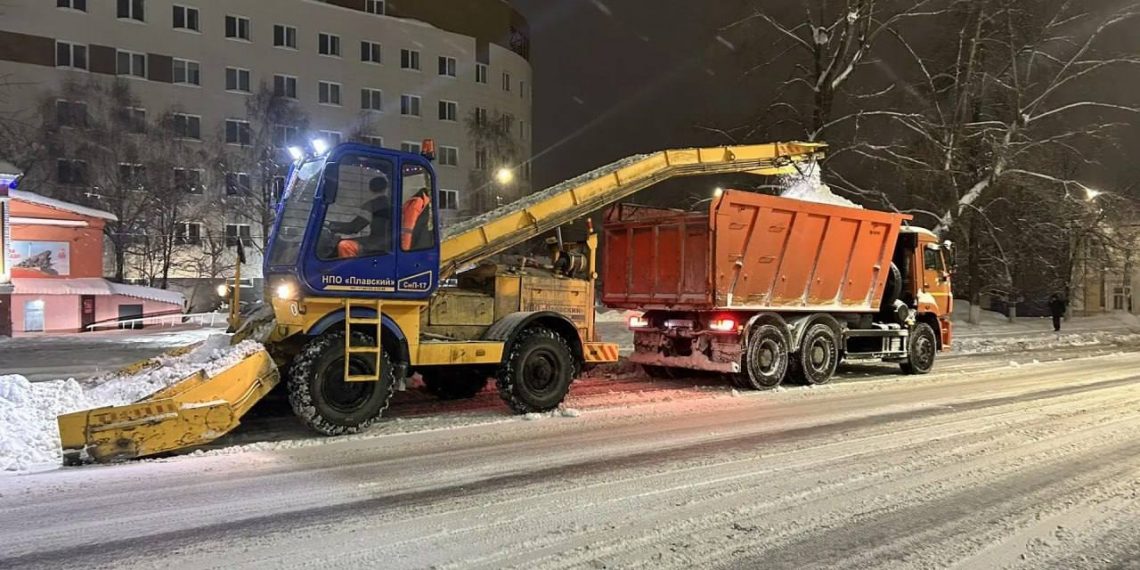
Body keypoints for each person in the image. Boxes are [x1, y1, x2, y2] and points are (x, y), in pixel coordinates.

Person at [331, 175, 392, 258]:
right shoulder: (391, 204)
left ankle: (350, 270)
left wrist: (333, 226)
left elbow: (355, 227)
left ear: (370, 188)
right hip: (389, 244)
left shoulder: (371, 205)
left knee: (344, 244)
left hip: (377, 246)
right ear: (385, 188)